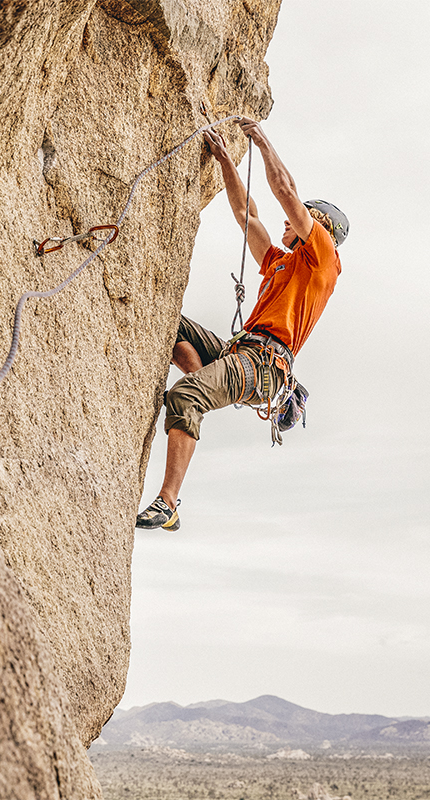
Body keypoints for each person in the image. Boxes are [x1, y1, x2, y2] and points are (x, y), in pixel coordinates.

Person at [136, 116, 349, 531]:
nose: (289, 220)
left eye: (301, 217)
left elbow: (286, 193)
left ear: (318, 228)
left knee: (183, 397)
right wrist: (225, 161)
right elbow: (245, 215)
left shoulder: (323, 261)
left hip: (265, 364)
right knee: (168, 322)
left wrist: (264, 143)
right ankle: (209, 387)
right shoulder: (281, 263)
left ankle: (168, 503)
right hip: (243, 351)